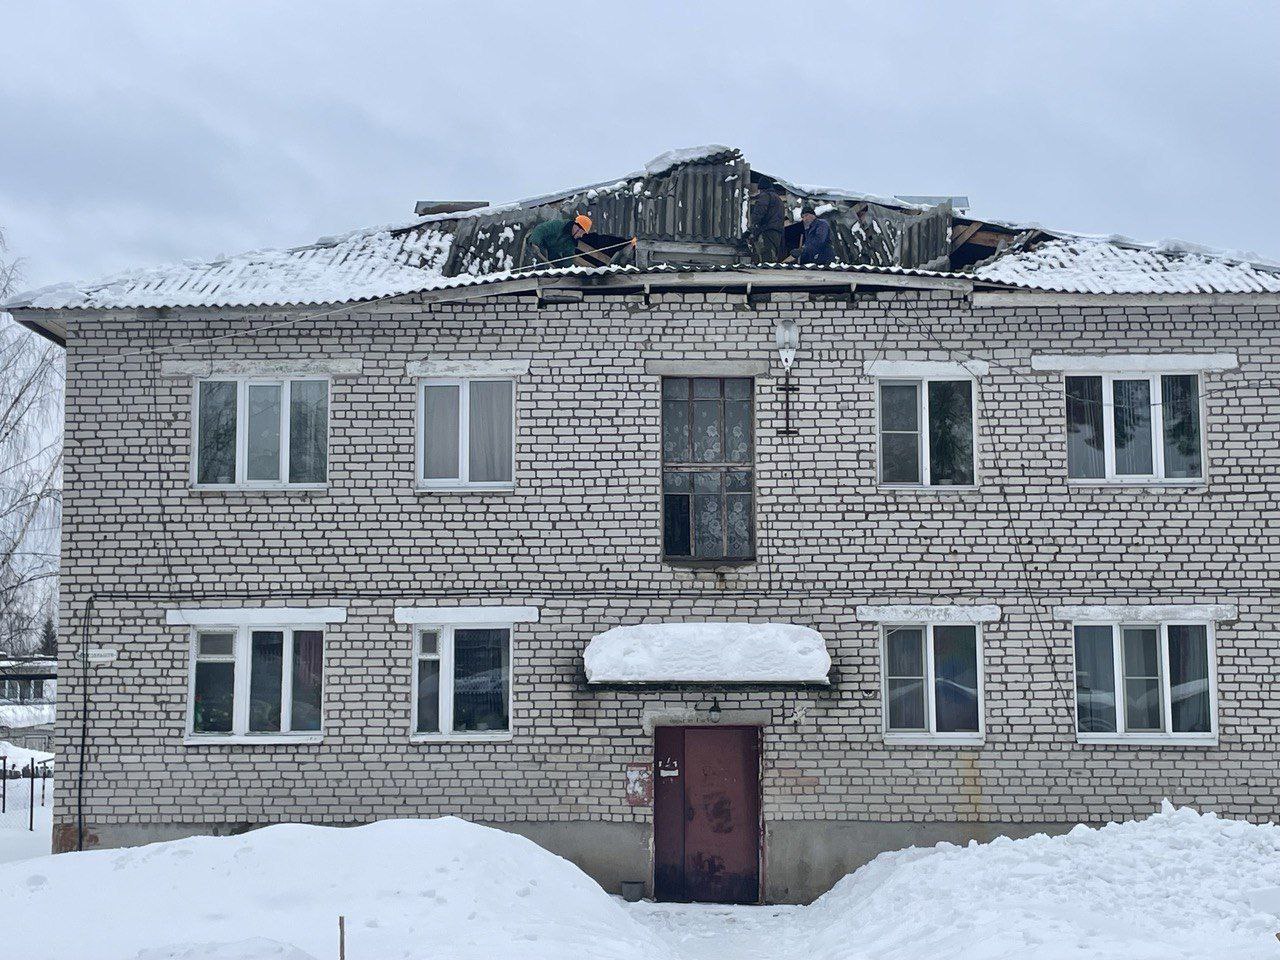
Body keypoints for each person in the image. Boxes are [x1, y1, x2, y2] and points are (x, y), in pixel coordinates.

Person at [525, 214, 592, 268]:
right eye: (582, 233)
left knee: (557, 262)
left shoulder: (571, 242)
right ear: (577, 227)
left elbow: (569, 257)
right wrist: (534, 243)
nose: (581, 236)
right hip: (538, 246)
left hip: (551, 252)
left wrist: (564, 270)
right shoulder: (558, 225)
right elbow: (540, 229)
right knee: (541, 265)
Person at [745, 181, 785, 264]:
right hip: (777, 231)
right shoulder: (778, 199)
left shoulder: (765, 196)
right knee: (773, 257)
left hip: (767, 231)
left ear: (761, 189)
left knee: (766, 258)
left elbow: (759, 212)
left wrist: (751, 225)